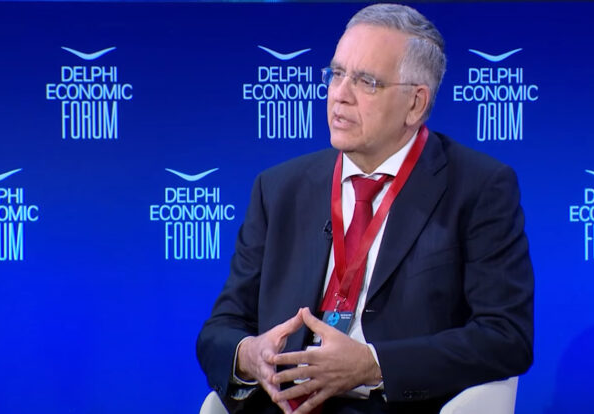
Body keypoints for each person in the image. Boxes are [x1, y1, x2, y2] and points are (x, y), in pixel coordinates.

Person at [197, 4, 534, 413]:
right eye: (336, 73)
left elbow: (506, 337)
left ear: (415, 104)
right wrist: (249, 355)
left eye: (366, 82)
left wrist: (373, 365)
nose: (340, 94)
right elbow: (220, 330)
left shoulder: (478, 187)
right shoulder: (279, 188)